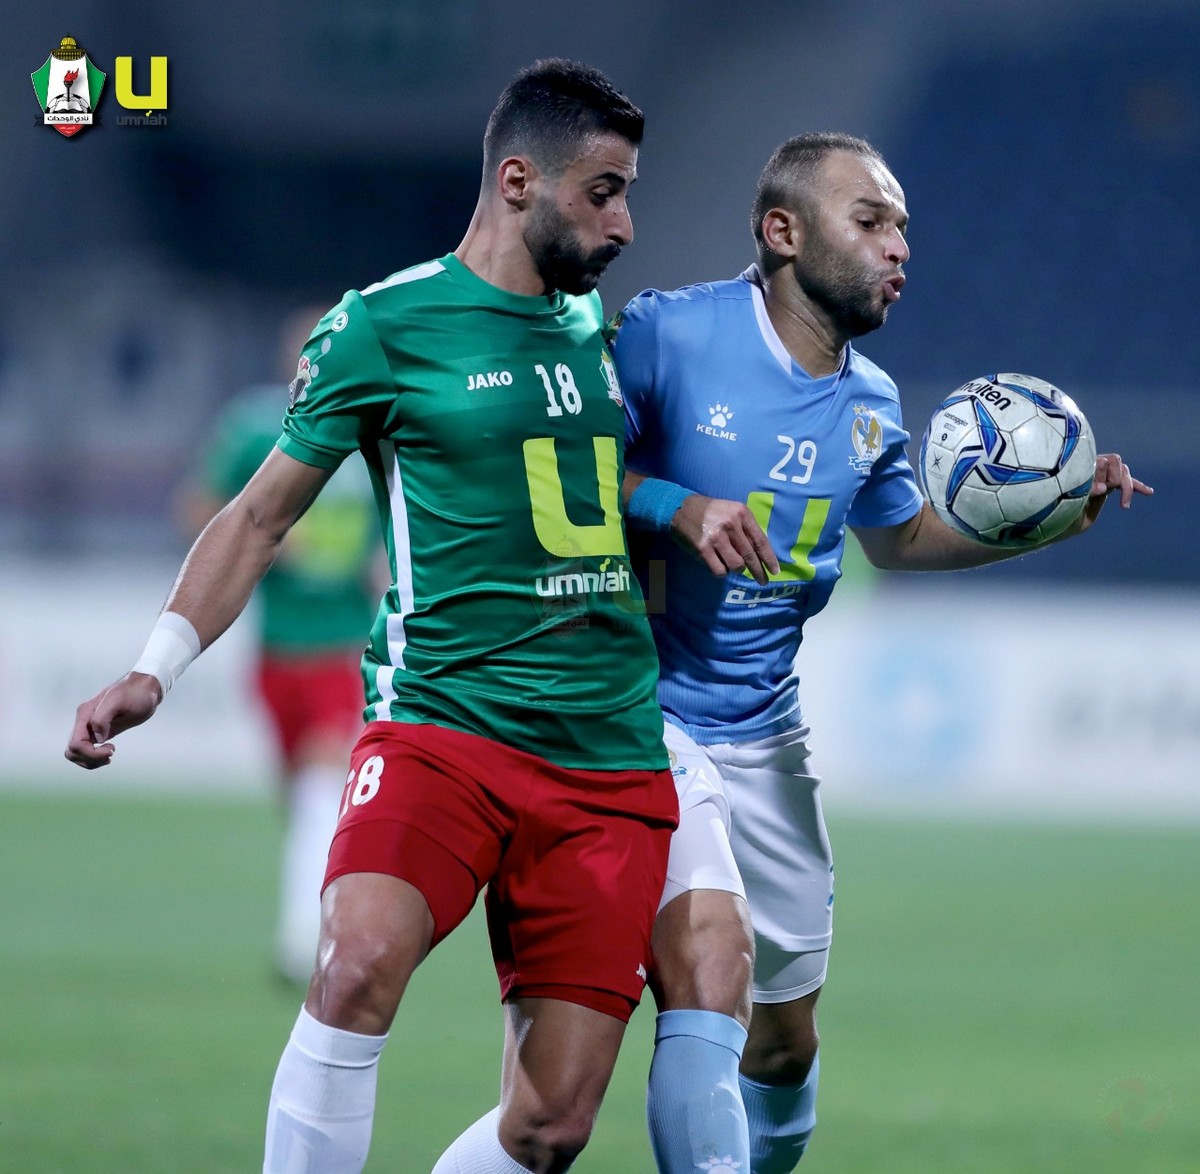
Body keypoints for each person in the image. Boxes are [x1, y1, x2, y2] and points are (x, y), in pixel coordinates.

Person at [66, 59, 680, 1174]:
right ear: (517, 181)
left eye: (626, 193)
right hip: (443, 726)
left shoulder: (605, 332)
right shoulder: (384, 326)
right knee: (353, 965)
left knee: (551, 1125)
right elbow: (257, 516)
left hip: (606, 754)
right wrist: (156, 666)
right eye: (603, 192)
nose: (624, 222)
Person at [611, 132, 1153, 1172]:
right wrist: (677, 504)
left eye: (902, 226)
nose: (899, 246)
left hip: (766, 735)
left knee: (784, 1044)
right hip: (645, 714)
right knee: (709, 972)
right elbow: (559, 467)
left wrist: (1040, 520)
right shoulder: (667, 333)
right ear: (782, 232)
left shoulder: (869, 403)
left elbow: (899, 539)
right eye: (870, 221)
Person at [177, 308, 380, 984]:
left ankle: (305, 941)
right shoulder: (255, 428)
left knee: (325, 780)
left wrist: (383, 566)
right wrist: (266, 541)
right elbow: (197, 507)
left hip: (344, 644)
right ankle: (315, 913)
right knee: (302, 801)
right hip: (275, 648)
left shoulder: (375, 431)